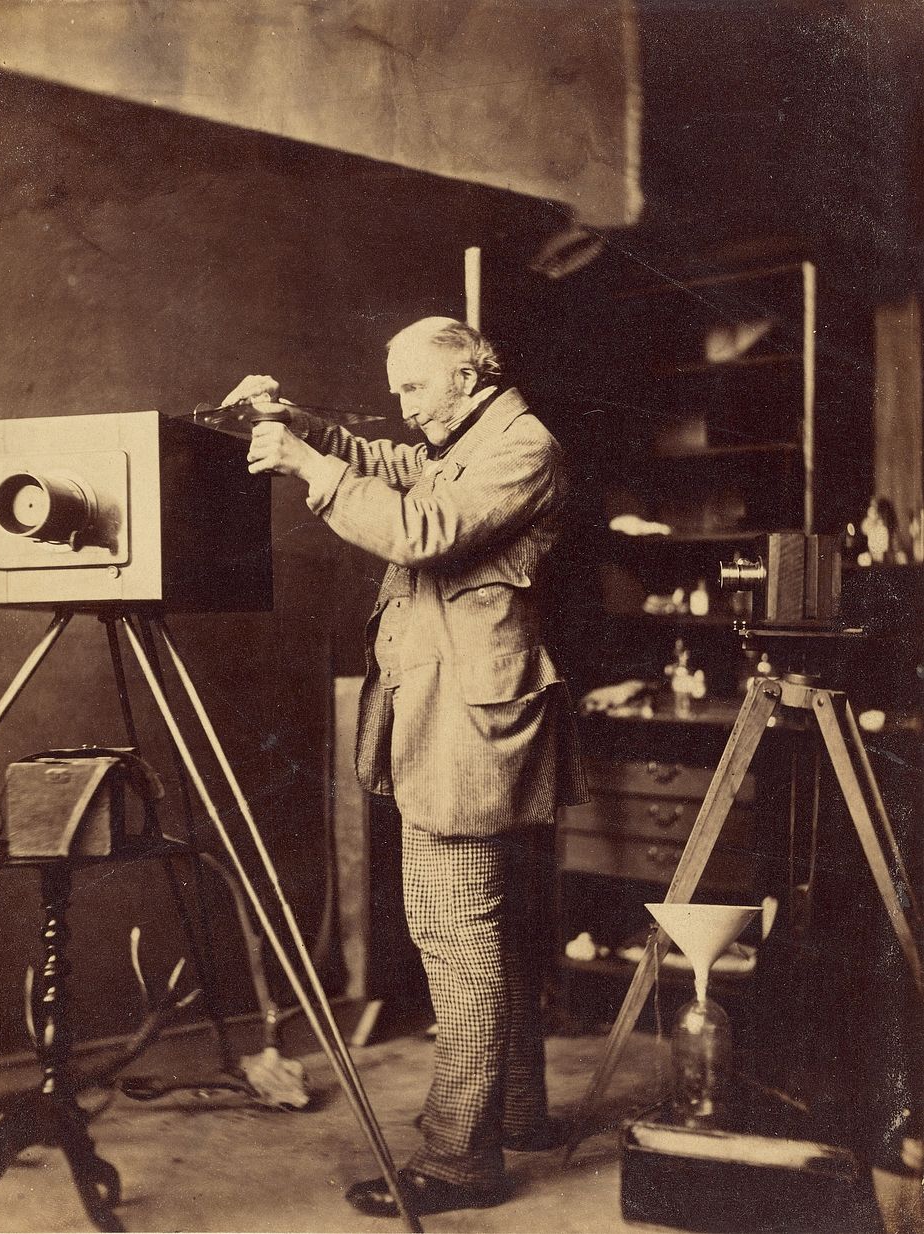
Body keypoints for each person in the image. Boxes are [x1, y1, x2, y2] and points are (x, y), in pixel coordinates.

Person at [224, 317, 587, 1217]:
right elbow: (384, 463)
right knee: (491, 937)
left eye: (415, 389)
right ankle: (520, 1113)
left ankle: (461, 1164)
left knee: (457, 939)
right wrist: (293, 421)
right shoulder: (466, 433)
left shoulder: (523, 446)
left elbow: (420, 528)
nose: (402, 406)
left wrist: (305, 467)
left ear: (469, 377)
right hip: (454, 718)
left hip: (469, 732)